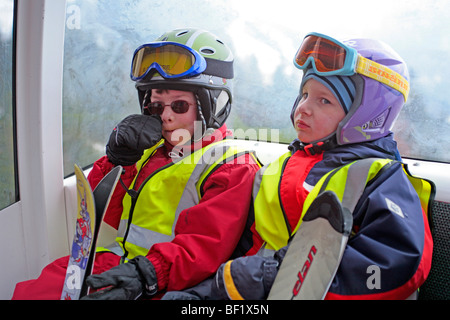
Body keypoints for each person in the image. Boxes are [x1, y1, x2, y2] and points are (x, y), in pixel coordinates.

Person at [162, 32, 434, 300]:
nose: (303, 107)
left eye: (323, 100)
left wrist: (274, 277)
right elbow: (243, 251)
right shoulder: (278, 167)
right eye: (304, 94)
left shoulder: (380, 179)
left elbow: (392, 266)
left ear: (366, 115)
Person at [12, 28, 260, 300]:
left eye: (178, 106)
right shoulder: (149, 148)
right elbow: (102, 210)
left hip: (167, 282)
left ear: (213, 105)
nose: (164, 116)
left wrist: (147, 275)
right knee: (36, 290)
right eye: (155, 106)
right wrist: (117, 158)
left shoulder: (231, 165)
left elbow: (202, 248)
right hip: (119, 262)